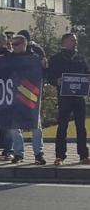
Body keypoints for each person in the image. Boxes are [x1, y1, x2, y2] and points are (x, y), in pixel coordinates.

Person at [47, 33, 90, 165]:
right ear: (64, 41)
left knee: (81, 127)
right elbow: (50, 77)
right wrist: (57, 81)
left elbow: (87, 73)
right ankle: (60, 156)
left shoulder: (80, 58)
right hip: (64, 97)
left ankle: (84, 155)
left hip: (79, 97)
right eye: (72, 40)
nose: (75, 42)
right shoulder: (55, 59)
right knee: (62, 126)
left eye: (76, 40)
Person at [6, 35, 46, 165]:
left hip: (30, 95)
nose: (13, 47)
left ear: (24, 44)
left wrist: (44, 66)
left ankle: (38, 154)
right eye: (12, 44)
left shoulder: (35, 58)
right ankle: (18, 153)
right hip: (13, 95)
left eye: (16, 44)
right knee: (14, 127)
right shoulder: (9, 58)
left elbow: (44, 74)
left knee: (36, 126)